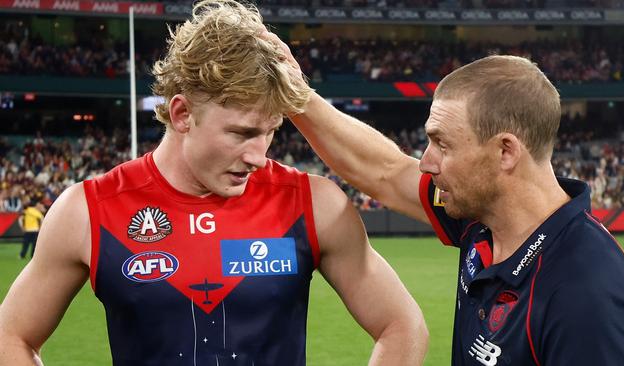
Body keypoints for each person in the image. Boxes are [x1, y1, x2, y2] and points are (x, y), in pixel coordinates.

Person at [0, 1, 428, 365]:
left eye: (272, 131)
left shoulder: (315, 204)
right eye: (242, 133)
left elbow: (402, 325)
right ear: (182, 113)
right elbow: (11, 335)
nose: (259, 156)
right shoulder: (87, 211)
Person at [268, 38, 624, 365]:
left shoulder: (589, 297)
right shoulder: (481, 217)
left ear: (505, 152)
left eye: (442, 144)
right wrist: (297, 95)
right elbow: (383, 171)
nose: (426, 162)